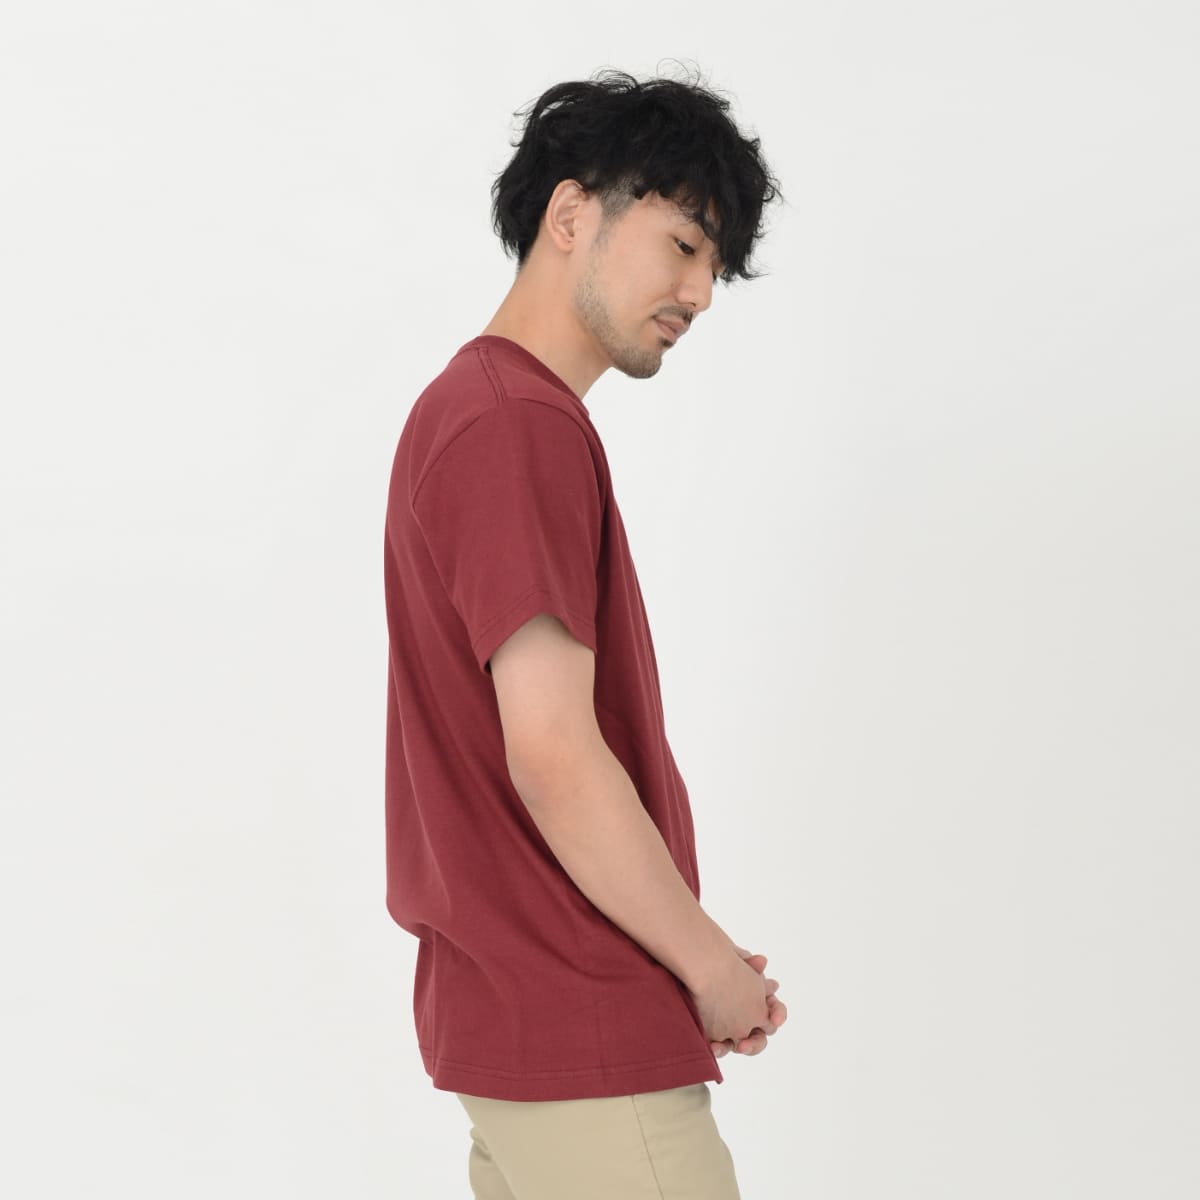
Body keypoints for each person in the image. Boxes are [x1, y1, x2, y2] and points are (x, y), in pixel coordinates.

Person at [382, 66, 786, 1199]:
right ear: (571, 216)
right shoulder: (516, 424)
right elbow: (555, 755)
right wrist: (709, 965)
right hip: (585, 1036)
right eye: (684, 243)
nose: (700, 292)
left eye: (714, 265)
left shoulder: (471, 410)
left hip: (518, 1037)